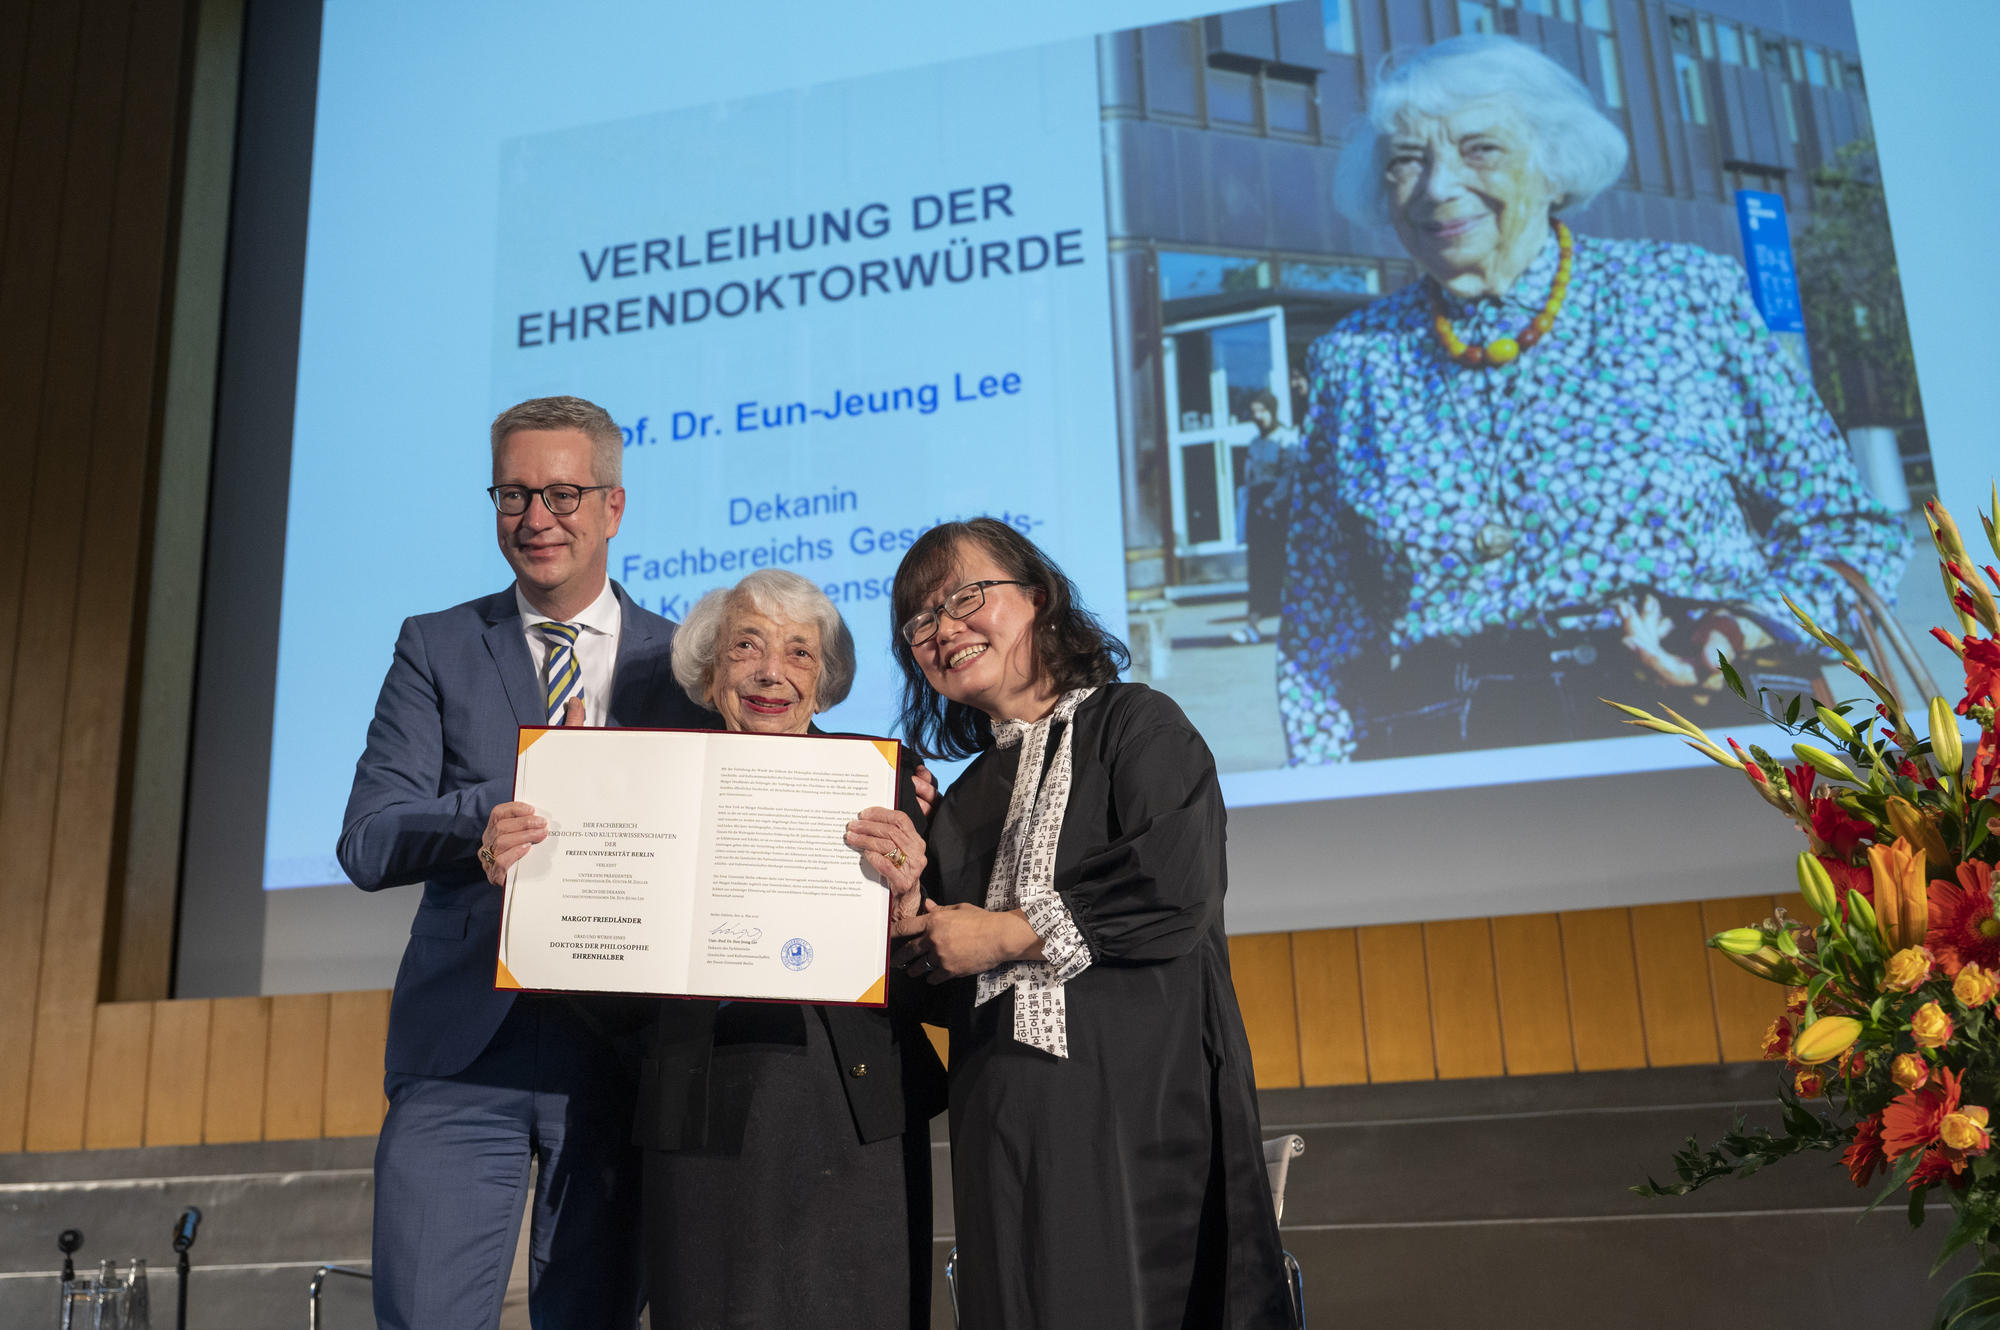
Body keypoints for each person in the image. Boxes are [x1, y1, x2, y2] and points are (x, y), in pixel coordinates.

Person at [1278, 34, 1910, 763]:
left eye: (1480, 150)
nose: (1437, 187)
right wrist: (1327, 795)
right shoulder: (1354, 361)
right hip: (1453, 751)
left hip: (1708, 716)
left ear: (1554, 166)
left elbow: (1849, 529)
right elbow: (1318, 624)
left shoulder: (1682, 297)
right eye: (1405, 161)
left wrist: (1746, 628)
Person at [337, 395, 706, 1330]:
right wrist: (484, 819)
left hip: (620, 1059)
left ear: (613, 508)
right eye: (514, 493)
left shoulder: (687, 661)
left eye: (564, 493)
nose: (537, 518)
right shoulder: (438, 644)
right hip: (464, 1053)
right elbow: (369, 837)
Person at [886, 517, 1293, 1329]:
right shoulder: (960, 804)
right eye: (921, 620)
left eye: (967, 597)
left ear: (1037, 599)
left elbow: (1176, 884)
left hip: (1141, 1104)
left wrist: (1003, 933)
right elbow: (943, 987)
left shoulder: (1136, 724)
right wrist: (904, 919)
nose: (945, 629)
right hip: (1002, 1121)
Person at [638, 568, 945, 1329]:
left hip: (850, 1105)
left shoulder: (894, 786)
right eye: (747, 646)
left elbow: (938, 978)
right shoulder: (647, 786)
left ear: (824, 680)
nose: (772, 671)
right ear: (711, 673)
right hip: (700, 1111)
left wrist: (911, 901)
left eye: (800, 654)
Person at [1231, 389, 1301, 645]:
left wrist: (1272, 501)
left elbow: (1289, 474)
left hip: (1279, 510)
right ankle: (1253, 626)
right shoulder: (1254, 443)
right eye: (1253, 412)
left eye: (1262, 410)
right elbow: (1249, 478)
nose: (1257, 416)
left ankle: (1293, 626)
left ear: (1272, 410)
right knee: (1257, 569)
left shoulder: (1285, 438)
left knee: (1283, 566)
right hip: (1257, 510)